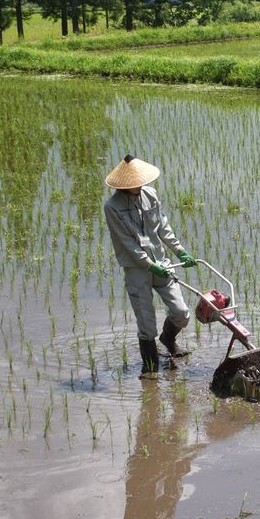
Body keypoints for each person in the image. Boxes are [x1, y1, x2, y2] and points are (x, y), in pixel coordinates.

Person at [103, 154, 199, 375]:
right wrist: (148, 264)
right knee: (147, 323)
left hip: (162, 262)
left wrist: (180, 251)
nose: (139, 186)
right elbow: (126, 243)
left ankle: (168, 339)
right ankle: (150, 369)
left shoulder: (151, 195)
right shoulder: (112, 207)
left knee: (181, 312)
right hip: (137, 270)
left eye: (141, 182)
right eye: (134, 184)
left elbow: (163, 227)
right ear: (124, 185)